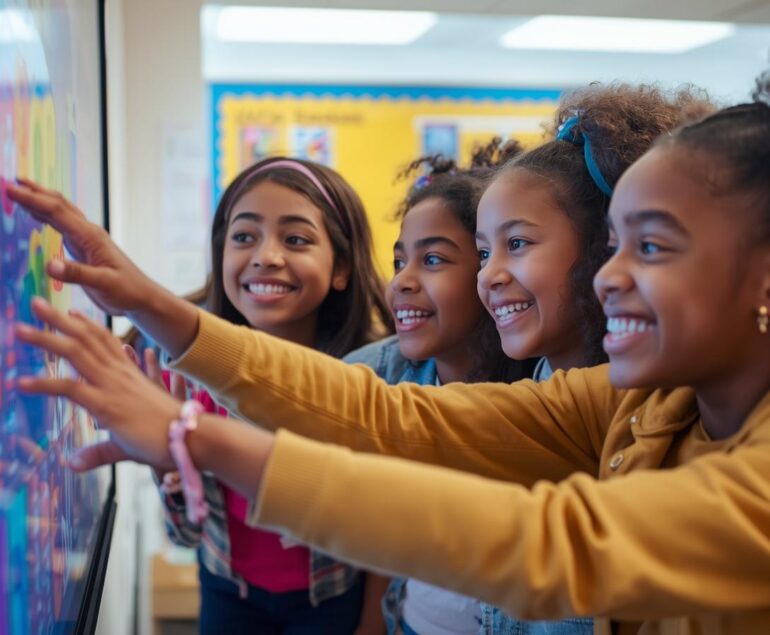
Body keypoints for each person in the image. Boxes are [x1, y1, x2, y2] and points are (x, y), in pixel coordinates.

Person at [10, 77, 770, 635]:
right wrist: (154, 304)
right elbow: (389, 413)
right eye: (613, 245)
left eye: (651, 247)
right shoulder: (643, 400)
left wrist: (192, 434)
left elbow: (554, 541)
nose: (611, 276)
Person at [473, 83, 713, 634]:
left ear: (606, 249)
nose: (488, 273)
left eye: (517, 244)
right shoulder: (527, 384)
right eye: (484, 252)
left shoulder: (662, 420)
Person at [139, 156, 395, 634]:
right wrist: (168, 469)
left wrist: (371, 623)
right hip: (227, 590)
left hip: (334, 597)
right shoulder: (188, 375)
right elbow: (187, 531)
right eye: (244, 237)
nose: (265, 256)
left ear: (340, 266)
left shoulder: (371, 377)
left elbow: (388, 523)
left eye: (295, 239)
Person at [344, 146, 535, 634]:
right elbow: (307, 389)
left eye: (431, 259)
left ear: (489, 270)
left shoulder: (547, 387)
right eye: (398, 260)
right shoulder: (387, 372)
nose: (401, 282)